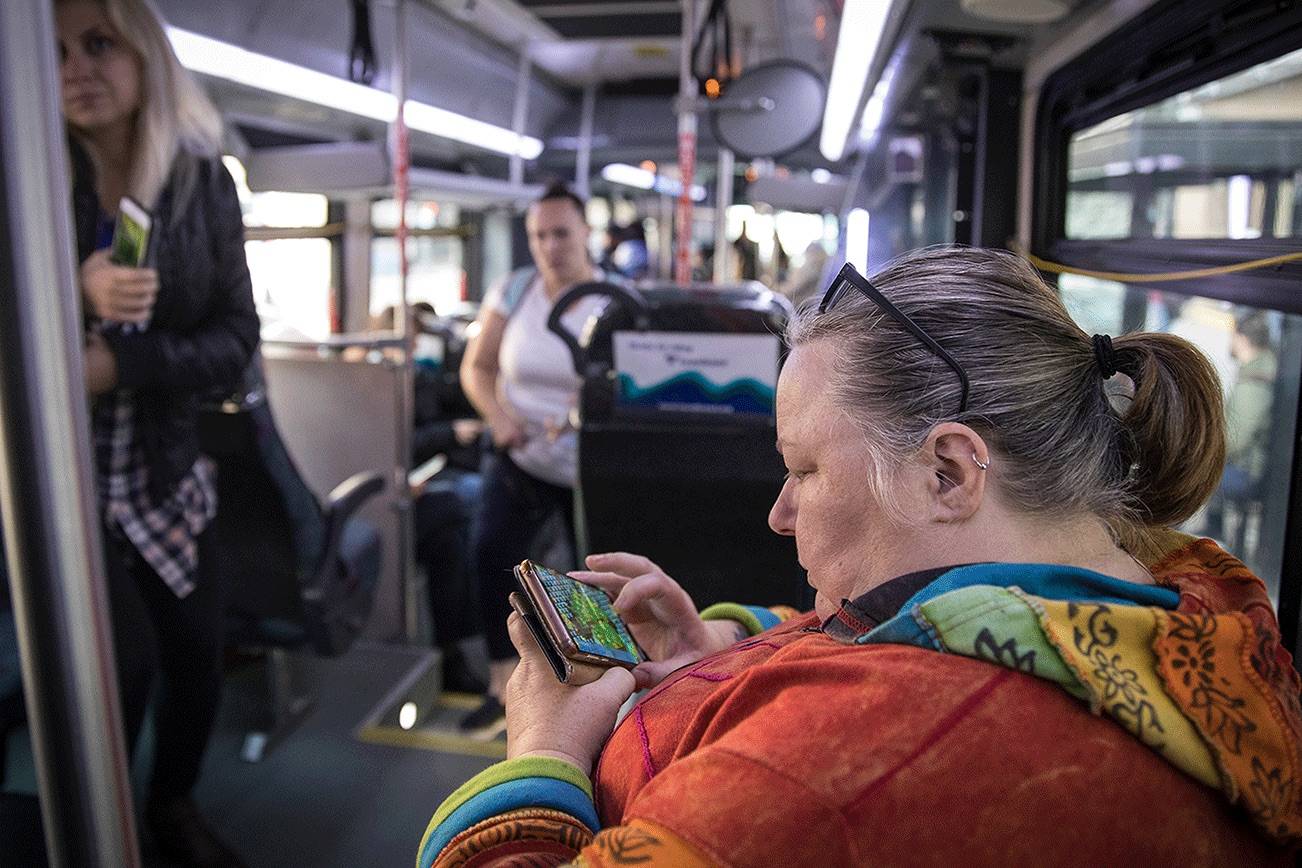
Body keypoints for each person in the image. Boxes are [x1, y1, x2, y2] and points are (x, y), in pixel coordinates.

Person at [419, 247, 1302, 866]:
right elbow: (906, 636)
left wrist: (540, 750)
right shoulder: (1187, 602)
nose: (777, 513)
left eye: (805, 469)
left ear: (949, 472)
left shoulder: (839, 779)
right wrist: (724, 658)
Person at [56, 1, 259, 865]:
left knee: (197, 655)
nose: (76, 68)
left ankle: (169, 803)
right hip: (53, 476)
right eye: (56, 52)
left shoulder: (198, 187)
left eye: (98, 44)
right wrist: (74, 291)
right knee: (123, 662)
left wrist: (127, 364)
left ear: (144, 58)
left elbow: (236, 341)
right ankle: (100, 827)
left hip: (163, 465)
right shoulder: (24, 180)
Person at [457, 182, 609, 737]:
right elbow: (477, 367)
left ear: (586, 232)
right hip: (523, 457)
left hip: (588, 467)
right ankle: (502, 684)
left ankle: (600, 693)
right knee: (488, 554)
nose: (550, 246)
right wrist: (499, 417)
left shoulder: (611, 301)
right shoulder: (515, 290)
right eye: (539, 235)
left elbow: (624, 387)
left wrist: (577, 411)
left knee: (593, 577)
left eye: (561, 233)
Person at [1204, 310, 1277, 550]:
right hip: (1247, 467)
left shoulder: (1256, 380)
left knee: (1193, 470)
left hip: (1247, 471)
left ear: (1242, 338)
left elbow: (1236, 441)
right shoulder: (1260, 374)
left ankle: (1212, 535)